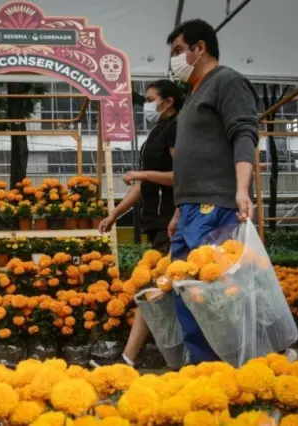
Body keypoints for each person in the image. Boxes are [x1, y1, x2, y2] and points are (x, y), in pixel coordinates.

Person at [166, 19, 258, 364]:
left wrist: (242, 189)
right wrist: (178, 208)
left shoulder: (227, 81)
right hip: (190, 209)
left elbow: (244, 133)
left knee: (214, 293)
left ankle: (228, 368)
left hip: (215, 206)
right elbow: (191, 158)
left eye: (178, 51)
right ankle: (201, 368)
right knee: (186, 290)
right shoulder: (194, 94)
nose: (174, 59)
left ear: (199, 48)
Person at [95, 79, 183, 367]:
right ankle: (132, 356)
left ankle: (131, 356)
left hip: (172, 222)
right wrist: (115, 214)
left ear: (168, 102)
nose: (145, 105)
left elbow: (182, 177)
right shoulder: (159, 131)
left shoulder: (176, 128)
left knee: (158, 287)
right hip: (158, 225)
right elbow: (142, 186)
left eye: (149, 99)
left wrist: (143, 175)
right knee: (157, 288)